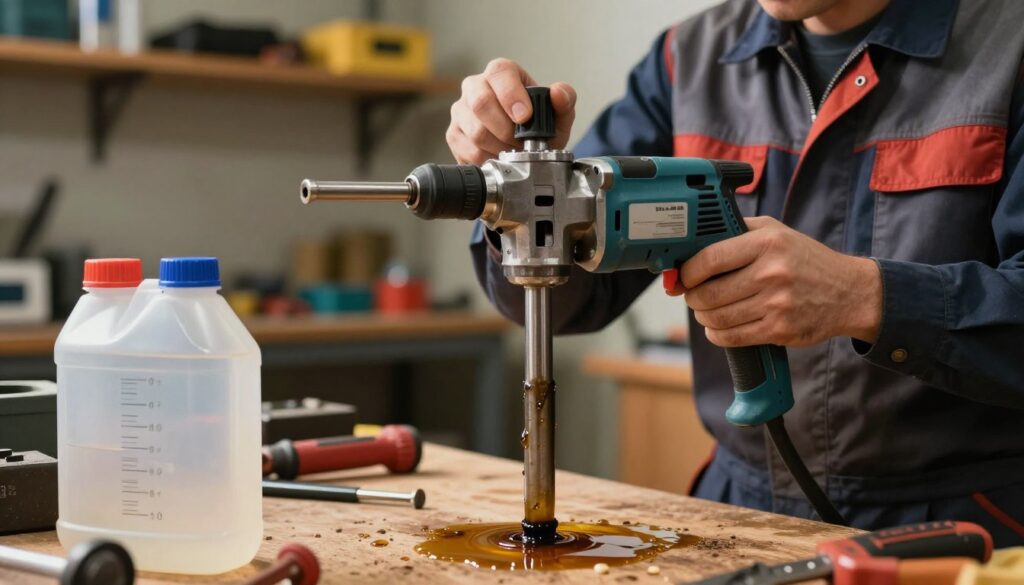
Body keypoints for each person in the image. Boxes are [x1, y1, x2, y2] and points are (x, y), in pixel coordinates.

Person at [452, 0, 1024, 546]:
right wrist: (520, 206)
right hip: (741, 510)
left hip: (964, 524)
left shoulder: (1009, 47)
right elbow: (575, 301)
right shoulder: (688, 57)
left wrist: (866, 297)